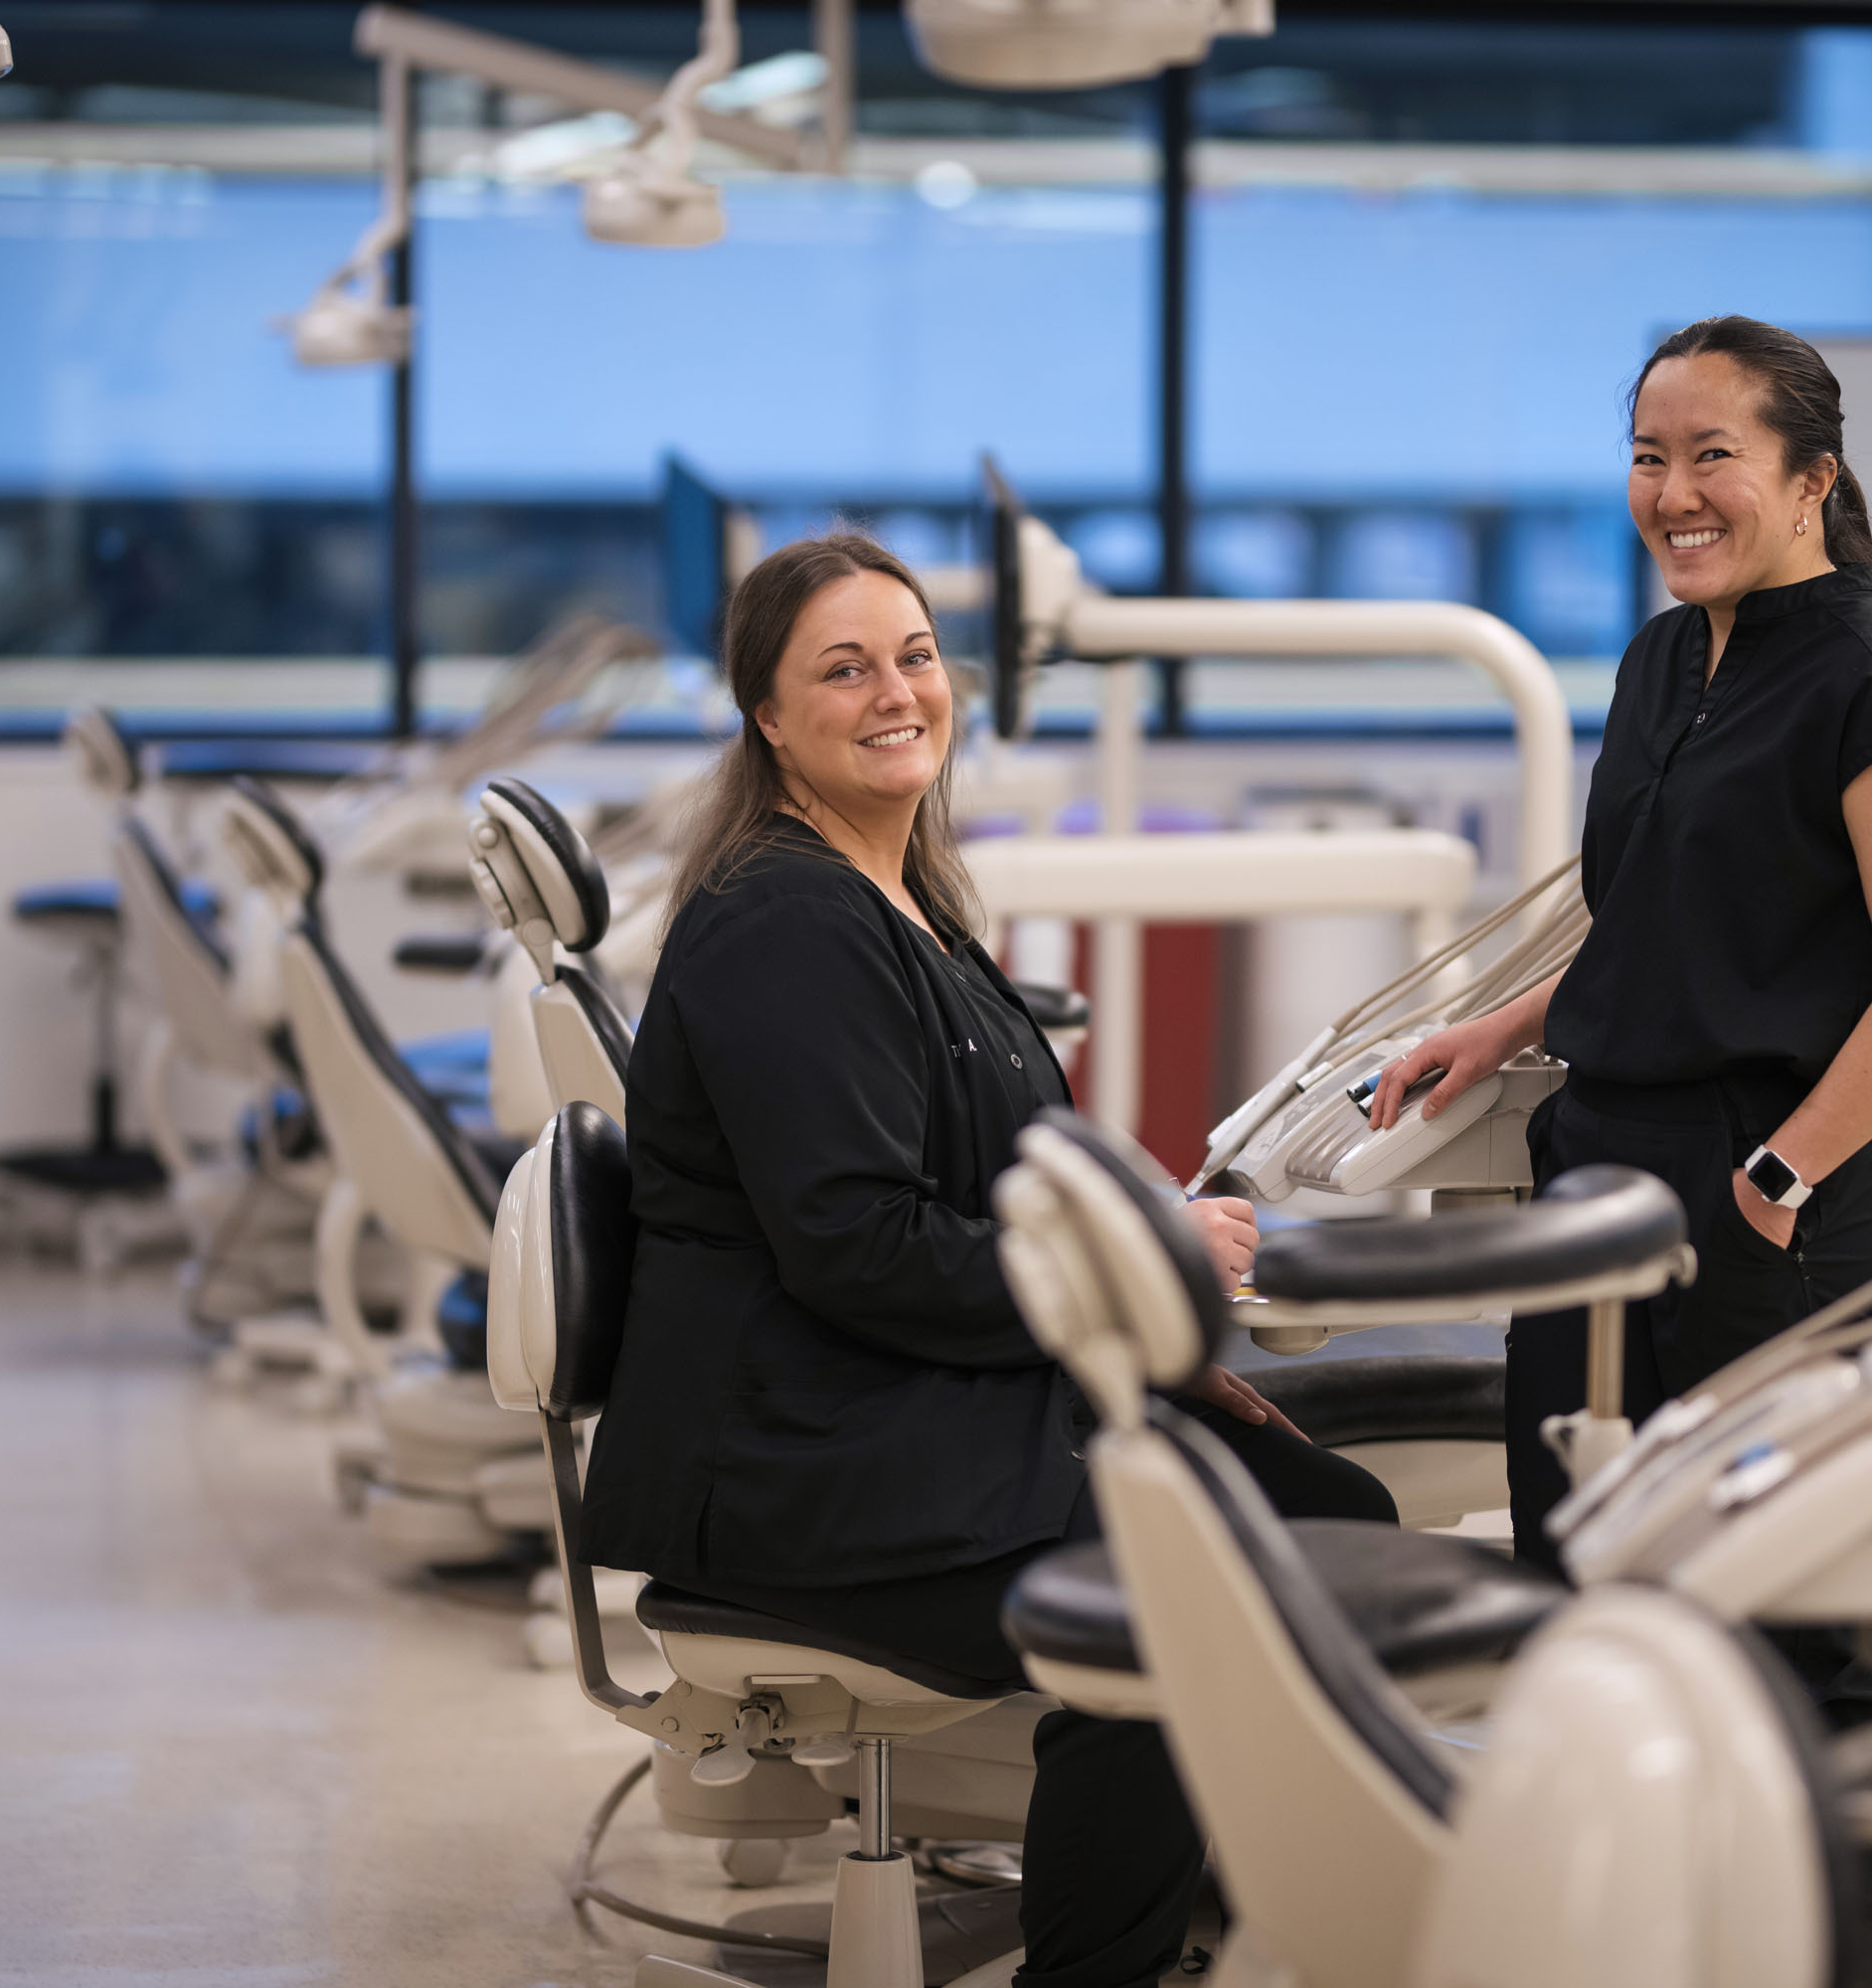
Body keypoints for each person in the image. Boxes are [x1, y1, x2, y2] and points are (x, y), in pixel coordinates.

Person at [582, 531, 1394, 1988]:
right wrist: (1140, 1264)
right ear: (768, 717)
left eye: (913, 656)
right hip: (797, 1464)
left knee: (1331, 1504)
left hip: (880, 1400)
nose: (897, 692)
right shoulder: (785, 919)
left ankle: (1207, 1904)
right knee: (1184, 1601)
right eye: (843, 669)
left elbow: (993, 1174)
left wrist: (1154, 1325)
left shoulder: (899, 897)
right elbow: (860, 1248)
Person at [1370, 315, 1872, 1758]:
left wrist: (1781, 1178)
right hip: (1595, 1176)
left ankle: (1814, 1927)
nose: (1675, 491)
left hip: (1764, 1197)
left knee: (1773, 1618)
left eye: (1716, 456)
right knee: (1580, 1583)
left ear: (1810, 479)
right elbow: (1660, 916)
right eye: (1650, 457)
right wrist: (1507, 1027)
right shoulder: (1663, 660)